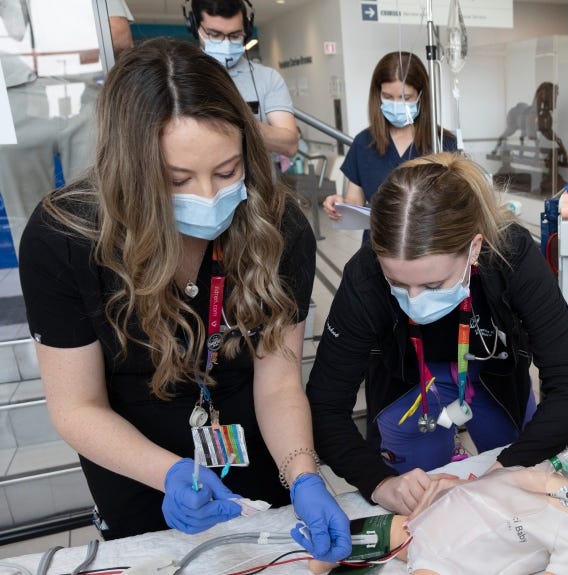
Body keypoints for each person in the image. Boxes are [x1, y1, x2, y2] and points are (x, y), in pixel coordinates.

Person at [16, 39, 350, 562]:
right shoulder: (65, 237)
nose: (207, 196)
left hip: (258, 458)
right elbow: (76, 406)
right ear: (129, 170)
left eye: (227, 171)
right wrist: (168, 473)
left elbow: (279, 382)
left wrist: (304, 474)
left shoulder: (277, 227)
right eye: (175, 181)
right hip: (137, 475)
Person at [307, 152, 568, 516]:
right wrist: (380, 483)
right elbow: (324, 406)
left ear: (474, 247)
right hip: (410, 381)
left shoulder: (512, 254)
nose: (413, 301)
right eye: (396, 283)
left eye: (433, 284)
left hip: (491, 374)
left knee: (518, 488)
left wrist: (502, 472)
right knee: (417, 501)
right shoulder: (365, 275)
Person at [306, 433, 568, 575]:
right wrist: (454, 486)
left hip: (449, 562)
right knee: (389, 530)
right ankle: (329, 553)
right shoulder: (549, 475)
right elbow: (500, 482)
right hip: (427, 519)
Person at [321, 51, 457, 229]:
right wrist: (340, 206)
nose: (396, 105)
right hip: (377, 245)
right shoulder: (364, 142)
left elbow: (458, 206)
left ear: (421, 96)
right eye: (387, 97)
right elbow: (355, 202)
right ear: (378, 95)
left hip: (427, 246)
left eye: (405, 98)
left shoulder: (443, 143)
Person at [184, 0, 299, 157]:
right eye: (215, 35)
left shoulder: (268, 78)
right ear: (194, 26)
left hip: (258, 181)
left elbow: (289, 145)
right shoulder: (178, 76)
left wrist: (234, 122)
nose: (226, 43)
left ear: (246, 31)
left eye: (235, 35)